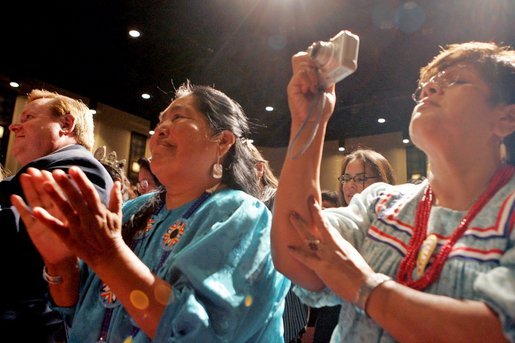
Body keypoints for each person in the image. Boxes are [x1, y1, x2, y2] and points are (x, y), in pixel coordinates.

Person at [271, 41, 515, 342]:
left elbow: (497, 333)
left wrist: (362, 286)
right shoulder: (381, 203)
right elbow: (297, 253)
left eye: (455, 80)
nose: (429, 90)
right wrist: (309, 121)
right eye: (426, 85)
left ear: (506, 119)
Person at [12, 82, 290, 342]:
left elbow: (198, 333)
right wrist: (60, 263)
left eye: (178, 118)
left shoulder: (243, 215)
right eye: (160, 122)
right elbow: (74, 312)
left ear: (223, 141)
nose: (160, 130)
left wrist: (108, 255)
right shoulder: (134, 210)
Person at [0, 89, 113, 342]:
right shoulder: (29, 175)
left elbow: (28, 241)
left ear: (66, 124)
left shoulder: (81, 170)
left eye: (28, 117)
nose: (14, 126)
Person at [307, 150, 396, 343]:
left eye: (360, 178)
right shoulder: (337, 219)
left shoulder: (394, 228)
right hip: (332, 317)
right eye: (346, 178)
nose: (350, 185)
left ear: (383, 181)